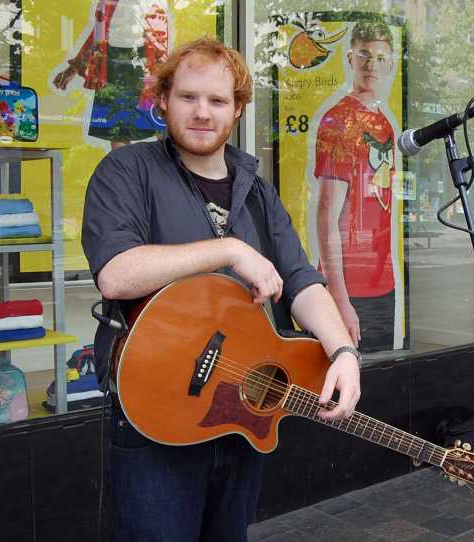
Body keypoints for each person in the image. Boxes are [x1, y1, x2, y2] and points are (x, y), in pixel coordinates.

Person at [81, 37, 361, 542]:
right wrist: (230, 250)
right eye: (188, 97)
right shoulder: (127, 170)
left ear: (237, 109)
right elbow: (116, 274)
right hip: (154, 417)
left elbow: (300, 279)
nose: (202, 112)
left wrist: (341, 350)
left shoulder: (256, 188)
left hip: (236, 411)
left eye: (217, 101)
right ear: (162, 99)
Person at [313, 21, 399, 353]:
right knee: (345, 393)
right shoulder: (339, 121)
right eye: (364, 54)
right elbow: (326, 217)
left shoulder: (382, 121)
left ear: (390, 64)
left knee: (382, 388)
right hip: (350, 291)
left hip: (382, 283)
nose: (371, 65)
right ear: (350, 57)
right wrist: (339, 298)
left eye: (380, 57)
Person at [52, 0, 170, 149]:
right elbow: (98, 35)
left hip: (144, 68)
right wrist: (73, 69)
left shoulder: (154, 4)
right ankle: (123, 171)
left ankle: (162, 169)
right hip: (113, 69)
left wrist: (165, 81)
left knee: (158, 127)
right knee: (118, 134)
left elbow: (160, 43)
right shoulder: (108, 3)